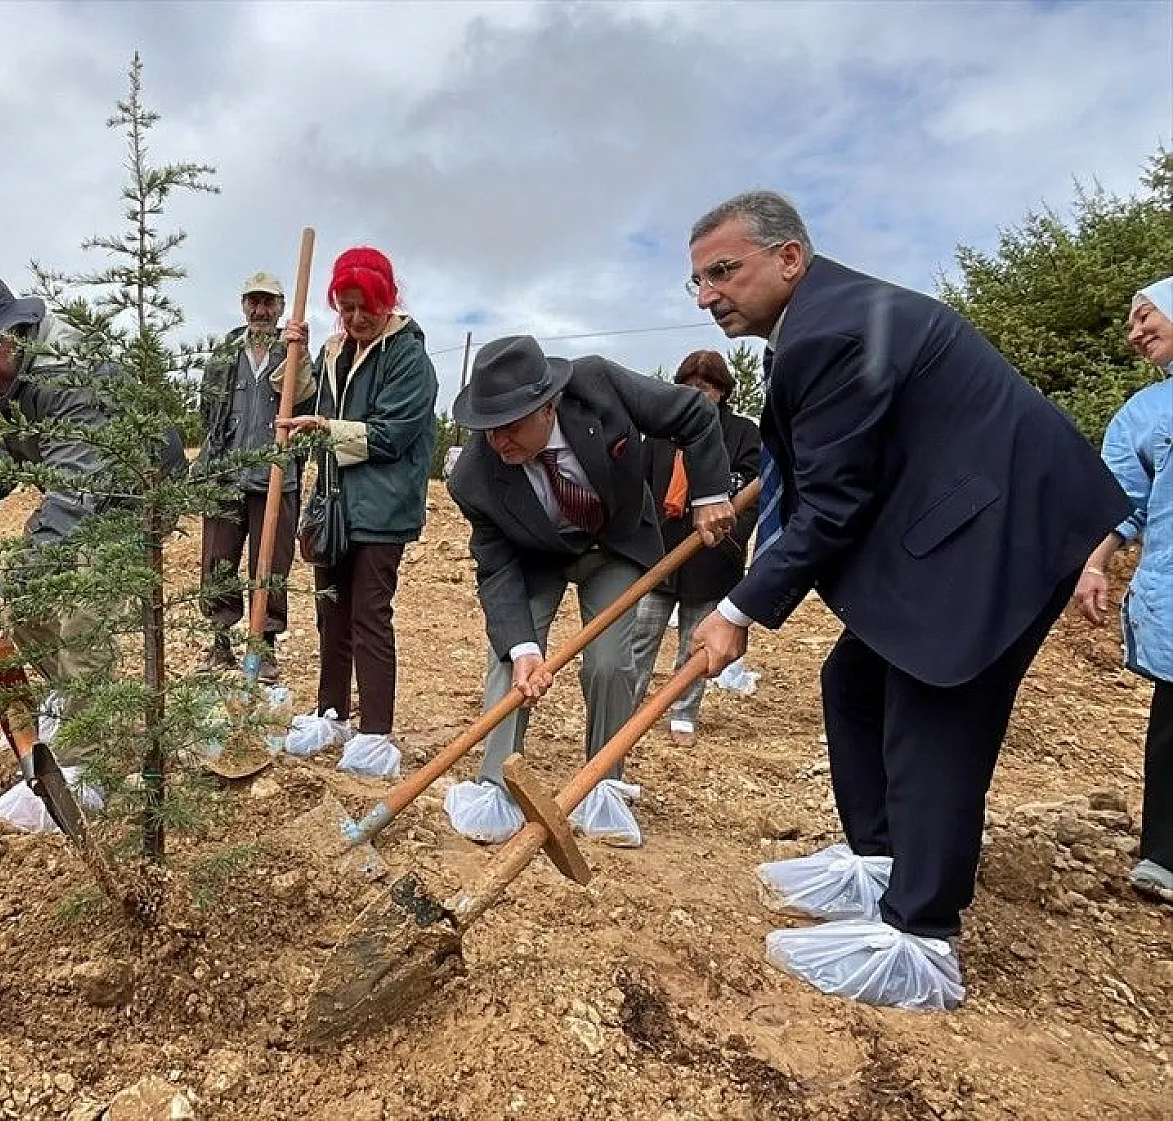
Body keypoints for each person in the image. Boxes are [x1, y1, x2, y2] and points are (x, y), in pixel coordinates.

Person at [685, 190, 1131, 1010]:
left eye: (724, 270)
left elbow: (835, 503)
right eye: (698, 282)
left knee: (934, 712)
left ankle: (921, 935)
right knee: (853, 682)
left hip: (1002, 529)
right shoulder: (822, 321)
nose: (709, 294)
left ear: (789, 258)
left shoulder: (825, 331)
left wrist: (737, 610)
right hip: (966, 515)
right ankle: (881, 858)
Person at [442, 335, 736, 840]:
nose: (498, 443)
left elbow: (694, 414)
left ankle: (601, 784)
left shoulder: (598, 384)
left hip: (615, 544)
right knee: (511, 661)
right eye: (487, 431)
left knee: (608, 662)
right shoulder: (474, 477)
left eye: (510, 428)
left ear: (548, 406)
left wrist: (709, 493)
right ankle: (496, 788)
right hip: (537, 557)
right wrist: (524, 645)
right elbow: (497, 569)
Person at [0, 262, 118, 766]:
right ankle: (83, 711)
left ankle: (82, 768)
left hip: (130, 498)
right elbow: (22, 439)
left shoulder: (68, 372)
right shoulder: (9, 367)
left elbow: (77, 492)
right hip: (81, 493)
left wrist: (17, 578)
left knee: (81, 616)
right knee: (26, 610)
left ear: (13, 328)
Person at [277, 248, 436, 761]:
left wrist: (326, 431)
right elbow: (304, 402)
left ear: (388, 300)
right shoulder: (334, 350)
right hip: (333, 506)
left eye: (365, 306)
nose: (355, 317)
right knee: (331, 612)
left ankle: (376, 731)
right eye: (345, 307)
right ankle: (331, 713)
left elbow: (394, 435)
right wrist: (295, 352)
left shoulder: (409, 356)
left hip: (382, 508)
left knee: (368, 614)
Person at [1072, 275, 1173, 905]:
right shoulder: (1144, 416)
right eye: (1131, 322)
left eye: (1145, 316)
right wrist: (1095, 563)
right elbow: (1122, 504)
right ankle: (1164, 854)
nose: (1135, 332)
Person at [629, 350, 761, 748]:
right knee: (640, 637)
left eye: (703, 388)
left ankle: (683, 713)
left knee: (695, 643)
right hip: (659, 556)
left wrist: (726, 532)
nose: (695, 395)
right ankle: (627, 710)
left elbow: (752, 493)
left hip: (712, 557)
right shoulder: (660, 435)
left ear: (721, 390)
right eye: (686, 387)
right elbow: (640, 488)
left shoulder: (741, 435)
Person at [193, 271, 316, 682]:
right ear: (244, 305)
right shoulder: (225, 354)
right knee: (218, 561)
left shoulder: (295, 352)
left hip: (277, 476)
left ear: (281, 308)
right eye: (254, 301)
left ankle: (264, 649)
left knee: (272, 566)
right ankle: (220, 642)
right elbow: (207, 413)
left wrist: (299, 349)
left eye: (269, 303)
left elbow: (307, 399)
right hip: (226, 475)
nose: (261, 310)